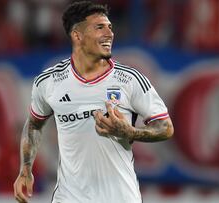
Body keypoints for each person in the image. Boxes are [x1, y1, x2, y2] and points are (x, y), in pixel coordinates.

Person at [13, 1, 174, 203]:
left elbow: (166, 127)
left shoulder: (130, 80)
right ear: (77, 35)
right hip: (69, 198)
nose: (109, 33)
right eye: (100, 27)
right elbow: (34, 124)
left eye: (110, 27)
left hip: (120, 197)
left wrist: (130, 132)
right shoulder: (49, 82)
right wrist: (25, 169)